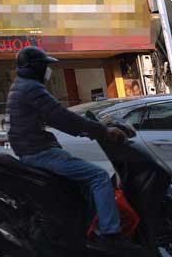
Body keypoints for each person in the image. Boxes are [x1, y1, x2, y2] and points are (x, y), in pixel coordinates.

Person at [8, 46, 134, 252]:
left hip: (31, 149)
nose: (49, 70)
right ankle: (111, 235)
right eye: (46, 66)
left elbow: (56, 119)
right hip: (40, 151)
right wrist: (103, 132)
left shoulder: (20, 86)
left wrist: (87, 131)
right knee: (99, 177)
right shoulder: (32, 88)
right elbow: (62, 116)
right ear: (37, 67)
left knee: (81, 185)